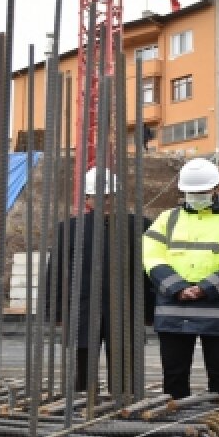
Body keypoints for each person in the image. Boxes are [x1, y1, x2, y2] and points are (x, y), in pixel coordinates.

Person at [143, 158, 219, 404]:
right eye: (191, 192)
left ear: (218, 188)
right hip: (177, 302)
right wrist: (178, 288)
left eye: (202, 192)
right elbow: (151, 255)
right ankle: (175, 423)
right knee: (174, 373)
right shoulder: (168, 218)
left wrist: (205, 289)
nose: (196, 196)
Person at [46, 168, 153, 394]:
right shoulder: (70, 229)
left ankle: (123, 406)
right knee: (84, 368)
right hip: (85, 309)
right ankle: (83, 405)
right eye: (99, 197)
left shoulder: (140, 227)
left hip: (125, 310)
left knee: (124, 368)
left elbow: (149, 271)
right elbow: (56, 270)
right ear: (87, 199)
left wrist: (149, 311)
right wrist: (55, 311)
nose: (106, 201)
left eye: (110, 196)